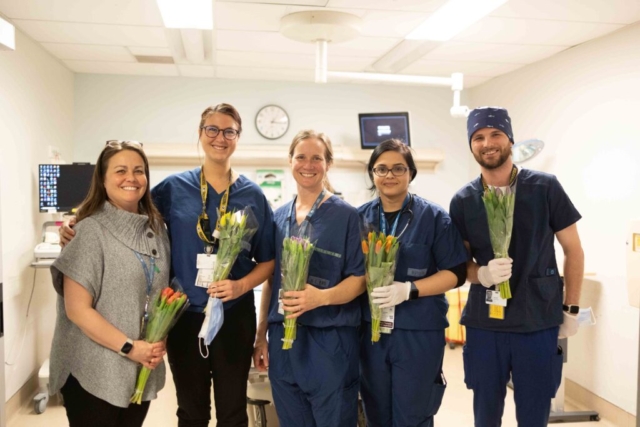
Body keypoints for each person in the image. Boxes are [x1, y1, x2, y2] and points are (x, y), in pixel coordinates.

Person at [60, 104, 276, 427]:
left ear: (238, 137)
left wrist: (241, 286)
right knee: (192, 411)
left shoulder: (253, 196)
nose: (220, 137)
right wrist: (79, 221)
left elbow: (268, 260)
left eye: (229, 131)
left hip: (234, 317)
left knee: (233, 412)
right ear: (201, 134)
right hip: (185, 318)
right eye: (212, 129)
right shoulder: (173, 189)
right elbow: (129, 211)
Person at [449, 107, 584, 427]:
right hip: (486, 324)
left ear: (510, 139)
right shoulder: (464, 200)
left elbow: (573, 250)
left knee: (534, 413)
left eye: (496, 134)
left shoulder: (545, 188)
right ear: (471, 146)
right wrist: (480, 274)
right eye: (478, 137)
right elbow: (460, 265)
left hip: (537, 320)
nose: (487, 143)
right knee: (485, 414)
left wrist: (571, 308)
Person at [50, 140, 169, 427]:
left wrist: (154, 341)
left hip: (138, 367)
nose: (131, 178)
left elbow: (158, 292)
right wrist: (130, 347)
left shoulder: (157, 230)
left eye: (139, 171)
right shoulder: (89, 230)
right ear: (103, 180)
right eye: (120, 171)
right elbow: (77, 310)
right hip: (93, 369)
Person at [253, 130, 366, 427]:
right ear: (290, 161)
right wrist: (261, 334)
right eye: (301, 157)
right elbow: (270, 281)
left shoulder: (346, 216)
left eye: (317, 158)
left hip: (329, 341)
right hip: (283, 341)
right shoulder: (277, 217)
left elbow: (360, 278)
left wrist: (321, 297)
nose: (308, 164)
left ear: (328, 164)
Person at [357, 139, 468, 427]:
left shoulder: (434, 218)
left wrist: (409, 290)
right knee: (376, 412)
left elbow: (456, 272)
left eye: (398, 168)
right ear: (372, 174)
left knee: (413, 414)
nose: (389, 175)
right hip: (372, 334)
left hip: (418, 333)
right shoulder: (358, 219)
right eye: (381, 169)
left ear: (411, 173)